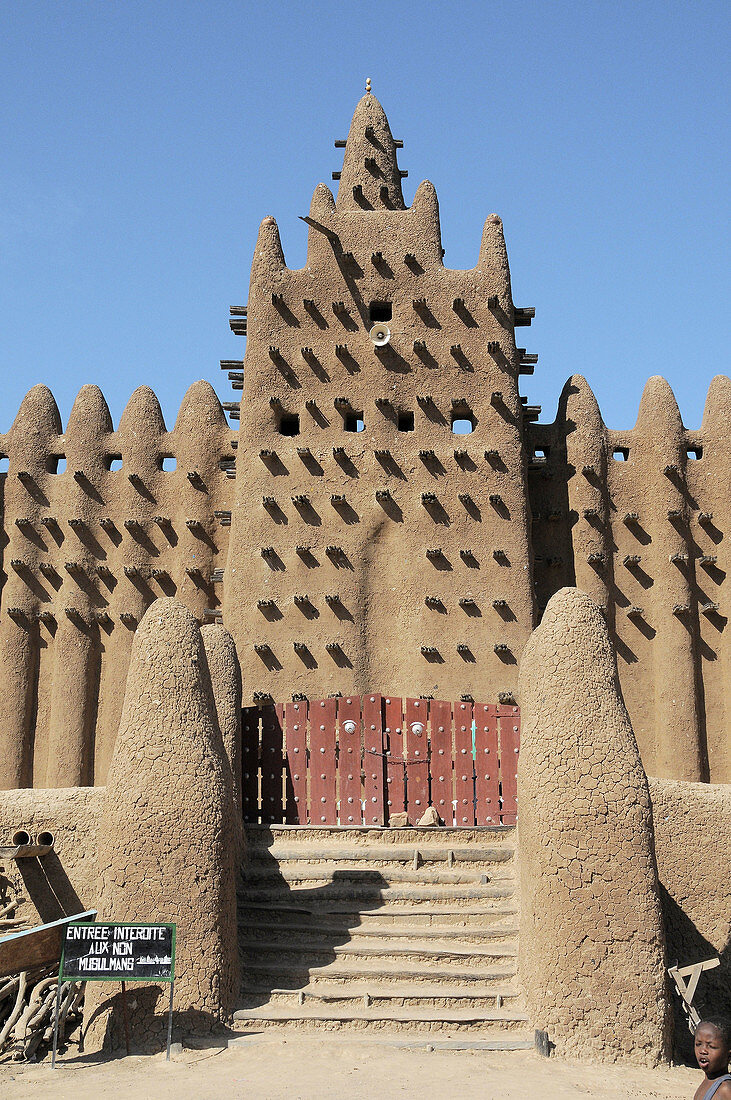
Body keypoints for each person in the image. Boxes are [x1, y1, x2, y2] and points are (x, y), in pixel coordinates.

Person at [694, 1018, 731, 1100]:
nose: (703, 1051)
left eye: (711, 1046)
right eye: (698, 1044)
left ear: (729, 1055)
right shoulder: (708, 1080)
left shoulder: (726, 1090)